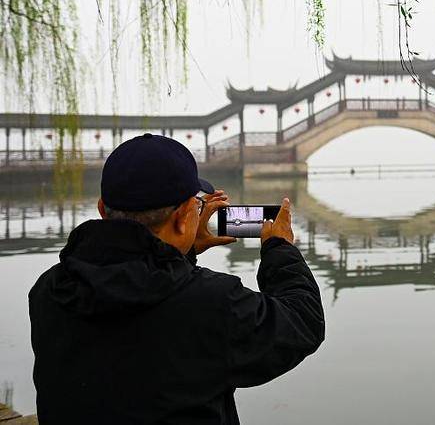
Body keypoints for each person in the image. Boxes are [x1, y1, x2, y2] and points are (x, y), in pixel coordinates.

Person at [28, 133, 326, 424]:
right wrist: (279, 248)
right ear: (183, 217)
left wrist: (179, 253)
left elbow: (138, 301)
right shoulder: (213, 304)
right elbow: (303, 322)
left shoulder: (49, 289)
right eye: (197, 207)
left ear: (102, 209)